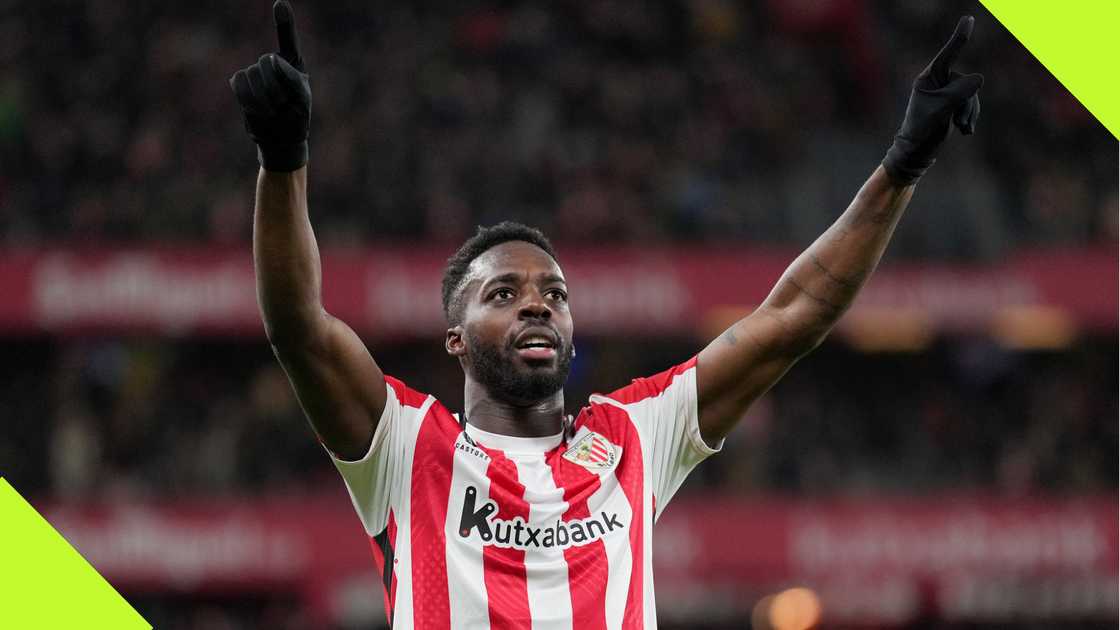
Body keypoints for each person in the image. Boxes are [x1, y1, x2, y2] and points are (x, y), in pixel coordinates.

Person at [230, 2, 983, 628]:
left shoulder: (632, 437)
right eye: (504, 293)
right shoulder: (404, 445)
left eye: (554, 294)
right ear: (454, 340)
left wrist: (903, 164)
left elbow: (795, 314)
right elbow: (298, 326)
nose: (537, 302)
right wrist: (284, 158)